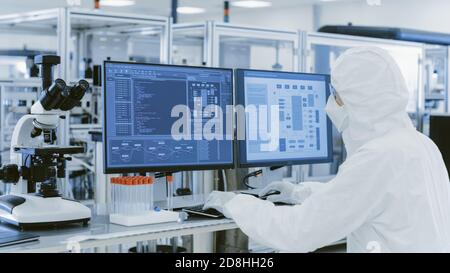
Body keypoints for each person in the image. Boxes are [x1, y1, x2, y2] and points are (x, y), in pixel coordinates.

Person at [204, 46, 450, 253]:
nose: (331, 104)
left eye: (336, 94)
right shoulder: (420, 144)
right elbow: (361, 198)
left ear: (359, 100)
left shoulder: (378, 157)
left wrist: (236, 204)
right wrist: (299, 192)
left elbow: (298, 232)